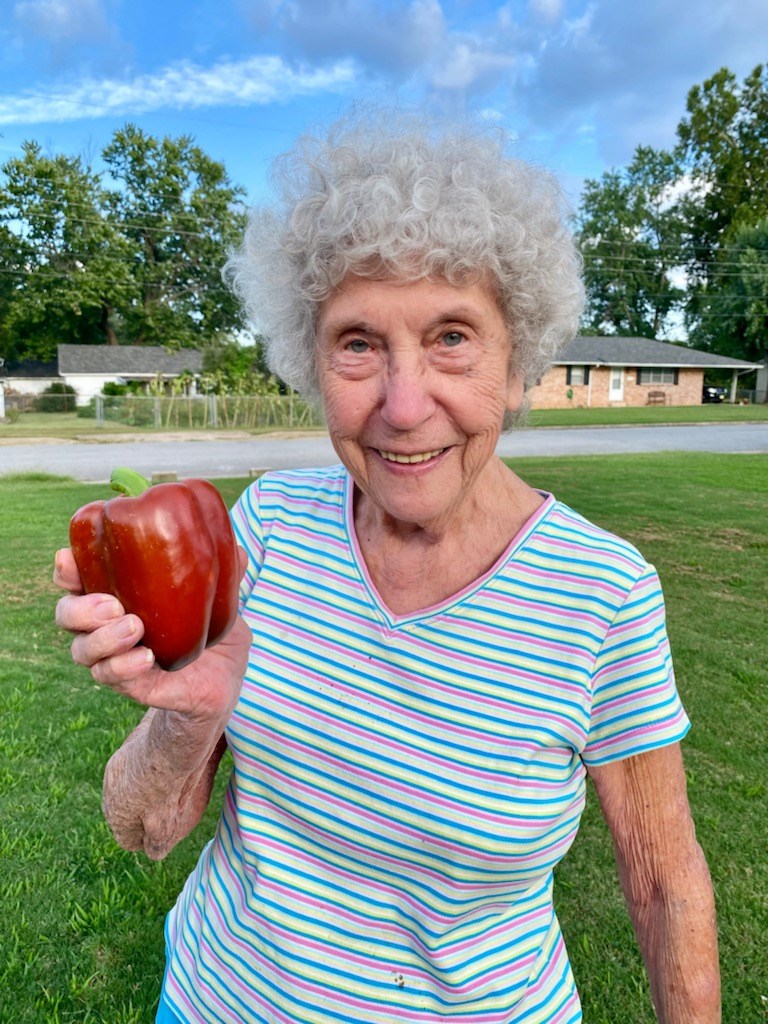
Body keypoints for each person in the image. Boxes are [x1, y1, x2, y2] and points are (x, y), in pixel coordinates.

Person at [54, 110, 721, 1024]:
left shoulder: (603, 593)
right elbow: (143, 830)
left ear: (517, 359)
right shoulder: (269, 528)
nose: (404, 408)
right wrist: (190, 715)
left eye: (452, 336)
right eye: (359, 343)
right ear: (311, 359)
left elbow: (663, 883)